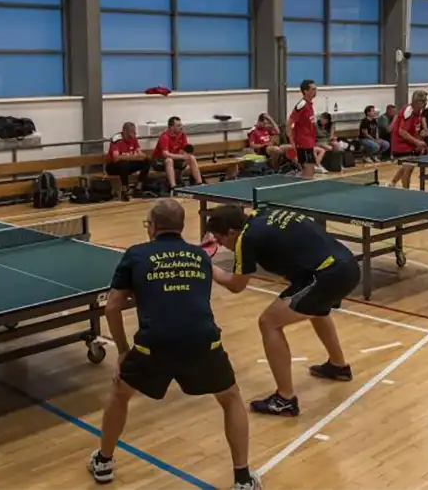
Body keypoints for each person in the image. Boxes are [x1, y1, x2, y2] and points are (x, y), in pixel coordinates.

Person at [88, 199, 259, 490]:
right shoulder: (200, 256)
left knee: (120, 393)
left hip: (154, 343)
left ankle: (103, 461)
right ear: (181, 227)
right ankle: (243, 480)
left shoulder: (135, 254)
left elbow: (112, 306)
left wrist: (124, 351)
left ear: (152, 227)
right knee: (230, 398)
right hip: (202, 340)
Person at [206, 205, 360, 417]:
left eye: (220, 240)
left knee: (269, 322)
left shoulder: (246, 239)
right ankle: (338, 366)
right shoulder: (261, 213)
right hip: (346, 265)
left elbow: (236, 285)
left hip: (327, 275)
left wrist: (208, 266)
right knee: (315, 309)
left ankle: (285, 398)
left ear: (232, 232)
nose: (222, 245)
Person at [389, 90, 428, 188]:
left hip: (409, 143)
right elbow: (402, 131)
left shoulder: (419, 112)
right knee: (408, 168)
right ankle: (406, 192)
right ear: (416, 101)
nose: (425, 103)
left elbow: (414, 130)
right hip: (400, 144)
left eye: (426, 100)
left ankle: (392, 184)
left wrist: (419, 143)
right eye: (423, 101)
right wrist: (417, 142)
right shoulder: (408, 111)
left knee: (407, 166)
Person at [151, 116, 203, 192]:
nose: (181, 127)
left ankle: (199, 184)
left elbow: (184, 150)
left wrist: (186, 155)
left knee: (192, 158)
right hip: (158, 161)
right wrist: (182, 157)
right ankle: (173, 187)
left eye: (181, 125)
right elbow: (166, 154)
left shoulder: (182, 135)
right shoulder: (164, 137)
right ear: (171, 127)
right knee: (169, 160)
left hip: (174, 159)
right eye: (178, 126)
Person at [105, 122, 150, 201]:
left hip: (127, 164)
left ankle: (138, 188)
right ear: (125, 131)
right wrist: (133, 157)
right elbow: (116, 158)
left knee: (147, 161)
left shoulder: (133, 138)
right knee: (123, 163)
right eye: (131, 132)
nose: (134, 134)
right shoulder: (117, 139)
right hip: (113, 166)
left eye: (134, 131)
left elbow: (140, 154)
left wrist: (142, 156)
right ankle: (124, 190)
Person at [289, 80, 318, 178]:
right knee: (309, 170)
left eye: (315, 89)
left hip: (309, 141)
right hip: (303, 142)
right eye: (313, 89)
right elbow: (289, 122)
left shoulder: (309, 104)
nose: (315, 91)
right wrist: (292, 141)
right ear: (305, 91)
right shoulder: (302, 104)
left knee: (309, 170)